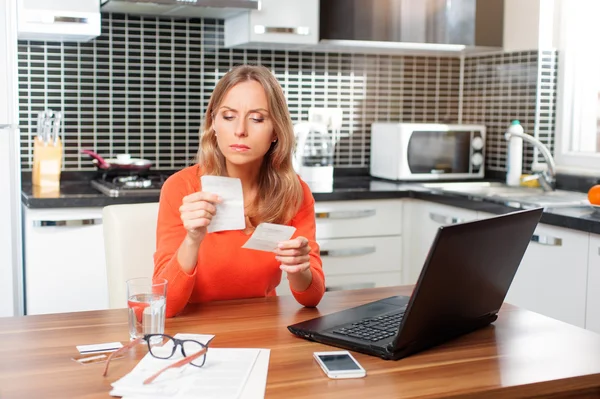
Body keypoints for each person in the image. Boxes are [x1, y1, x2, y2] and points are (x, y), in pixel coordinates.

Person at [153, 65, 325, 318]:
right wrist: (192, 239)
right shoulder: (181, 188)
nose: (240, 130)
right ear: (213, 122)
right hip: (193, 334)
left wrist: (299, 267)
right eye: (228, 116)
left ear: (276, 130)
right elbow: (163, 305)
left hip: (262, 330)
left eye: (257, 118)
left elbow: (311, 299)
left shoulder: (294, 192)